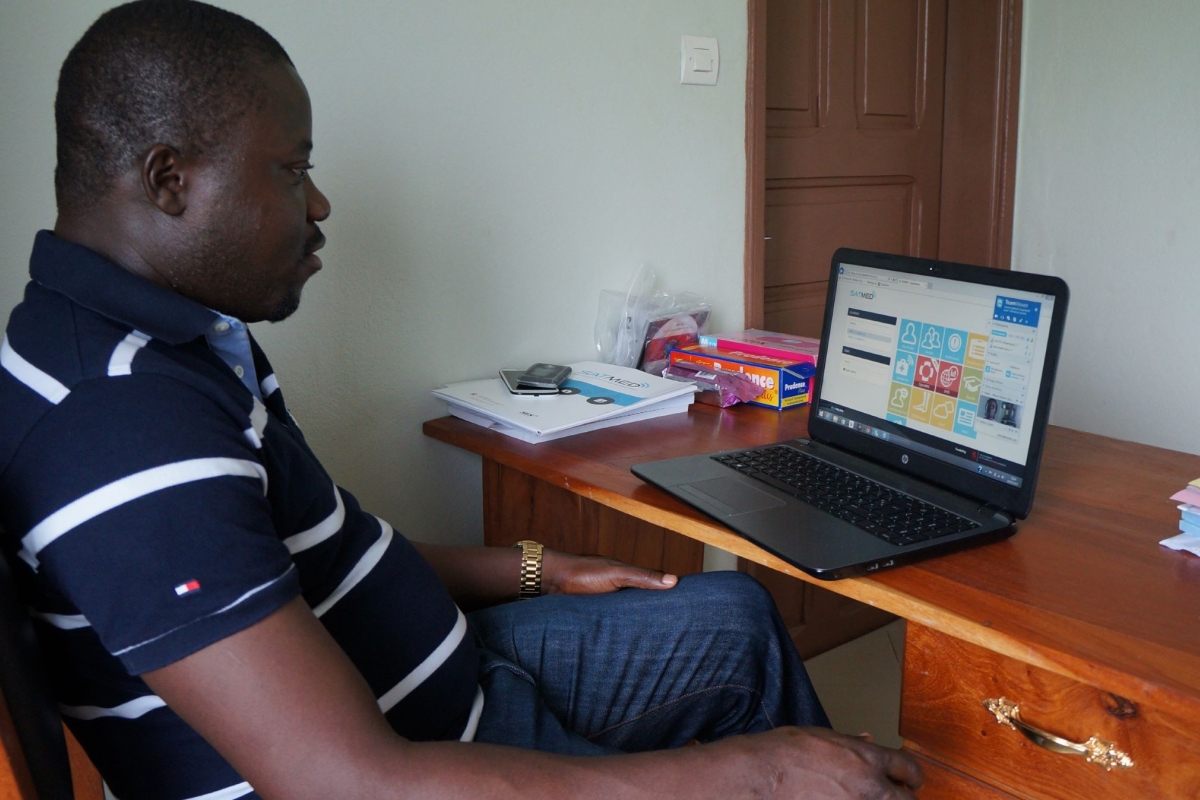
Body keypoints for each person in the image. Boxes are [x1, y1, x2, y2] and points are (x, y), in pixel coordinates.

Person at [0, 2, 923, 798]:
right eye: (291, 169)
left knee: (738, 617)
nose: (318, 204)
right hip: (434, 760)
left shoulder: (170, 344)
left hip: (463, 677)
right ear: (171, 181)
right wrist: (761, 776)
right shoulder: (119, 426)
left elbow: (330, 555)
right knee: (787, 762)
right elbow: (346, 783)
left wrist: (536, 567)